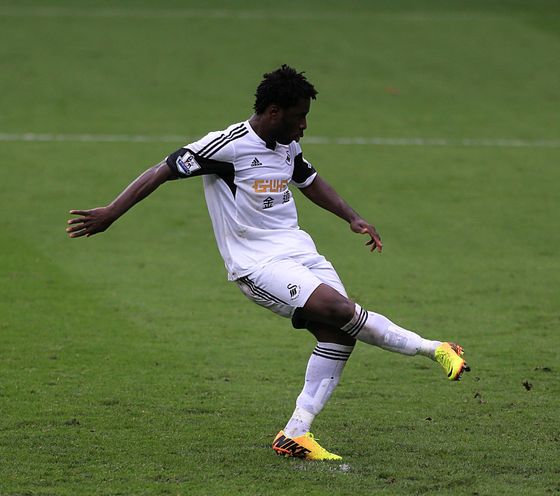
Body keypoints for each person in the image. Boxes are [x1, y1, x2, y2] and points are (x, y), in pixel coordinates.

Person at [66, 65, 469, 461]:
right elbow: (161, 171)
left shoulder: (286, 145)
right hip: (256, 263)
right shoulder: (226, 146)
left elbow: (310, 180)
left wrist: (352, 216)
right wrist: (111, 213)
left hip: (299, 251)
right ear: (274, 112)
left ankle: (295, 434)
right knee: (340, 310)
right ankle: (435, 348)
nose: (304, 126)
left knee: (340, 334)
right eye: (299, 117)